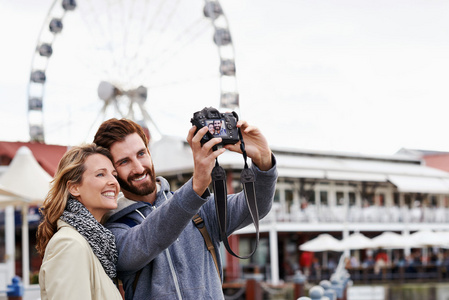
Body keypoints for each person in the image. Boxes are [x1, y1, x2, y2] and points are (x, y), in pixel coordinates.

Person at [93, 118, 277, 299]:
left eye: (141, 154)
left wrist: (264, 161)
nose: (139, 168)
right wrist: (196, 186)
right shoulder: (112, 231)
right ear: (112, 172)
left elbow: (256, 206)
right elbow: (148, 239)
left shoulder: (200, 209)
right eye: (124, 161)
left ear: (149, 152)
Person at [36, 144, 123, 300]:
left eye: (114, 175)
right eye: (101, 175)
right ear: (74, 188)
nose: (113, 182)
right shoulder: (69, 243)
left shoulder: (96, 244)